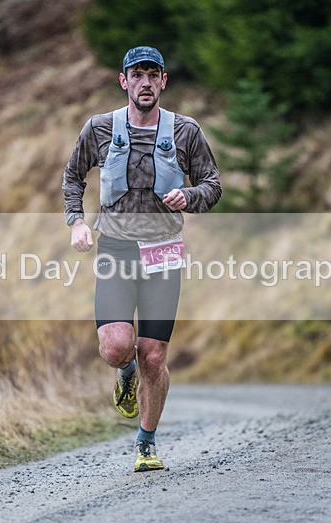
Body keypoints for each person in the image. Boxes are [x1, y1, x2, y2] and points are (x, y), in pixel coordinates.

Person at [62, 46, 221, 472]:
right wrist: (77, 222)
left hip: (163, 252)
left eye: (154, 74)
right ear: (124, 81)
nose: (146, 82)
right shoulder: (99, 128)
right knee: (118, 348)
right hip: (115, 248)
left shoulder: (185, 131)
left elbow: (213, 184)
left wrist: (189, 196)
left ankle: (146, 443)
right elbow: (73, 176)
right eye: (138, 75)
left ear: (164, 82)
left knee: (154, 354)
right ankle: (124, 372)